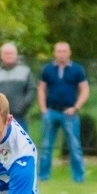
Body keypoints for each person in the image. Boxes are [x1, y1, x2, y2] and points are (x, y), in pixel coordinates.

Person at [37, 42, 90, 183]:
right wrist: (43, 109)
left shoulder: (77, 69)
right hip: (51, 112)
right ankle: (43, 176)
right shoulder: (47, 69)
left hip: (70, 114)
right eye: (59, 51)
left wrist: (76, 107)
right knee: (46, 146)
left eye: (64, 51)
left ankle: (79, 177)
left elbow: (85, 90)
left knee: (74, 146)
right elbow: (41, 89)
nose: (61, 54)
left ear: (69, 52)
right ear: (54, 53)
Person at [0, 42, 37, 132]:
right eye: (6, 53)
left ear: (16, 55)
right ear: (1, 56)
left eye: (11, 53)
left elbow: (32, 89)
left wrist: (24, 105)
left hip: (19, 117)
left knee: (20, 140)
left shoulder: (25, 71)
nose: (9, 56)